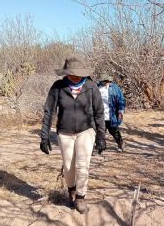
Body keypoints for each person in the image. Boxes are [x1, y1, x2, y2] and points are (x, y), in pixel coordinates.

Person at [40, 57, 106, 214]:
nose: (75, 77)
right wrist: (44, 136)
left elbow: (99, 112)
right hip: (65, 132)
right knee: (69, 166)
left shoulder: (91, 87)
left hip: (86, 131)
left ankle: (81, 197)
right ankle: (72, 191)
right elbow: (49, 111)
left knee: (82, 165)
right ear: (66, 73)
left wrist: (101, 136)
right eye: (72, 74)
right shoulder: (58, 87)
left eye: (78, 74)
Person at [97, 73, 126, 152]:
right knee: (100, 132)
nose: (108, 83)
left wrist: (121, 110)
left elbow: (121, 100)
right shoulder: (97, 88)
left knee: (114, 131)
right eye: (105, 81)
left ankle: (121, 143)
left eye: (109, 81)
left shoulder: (115, 88)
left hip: (112, 114)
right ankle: (100, 148)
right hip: (100, 115)